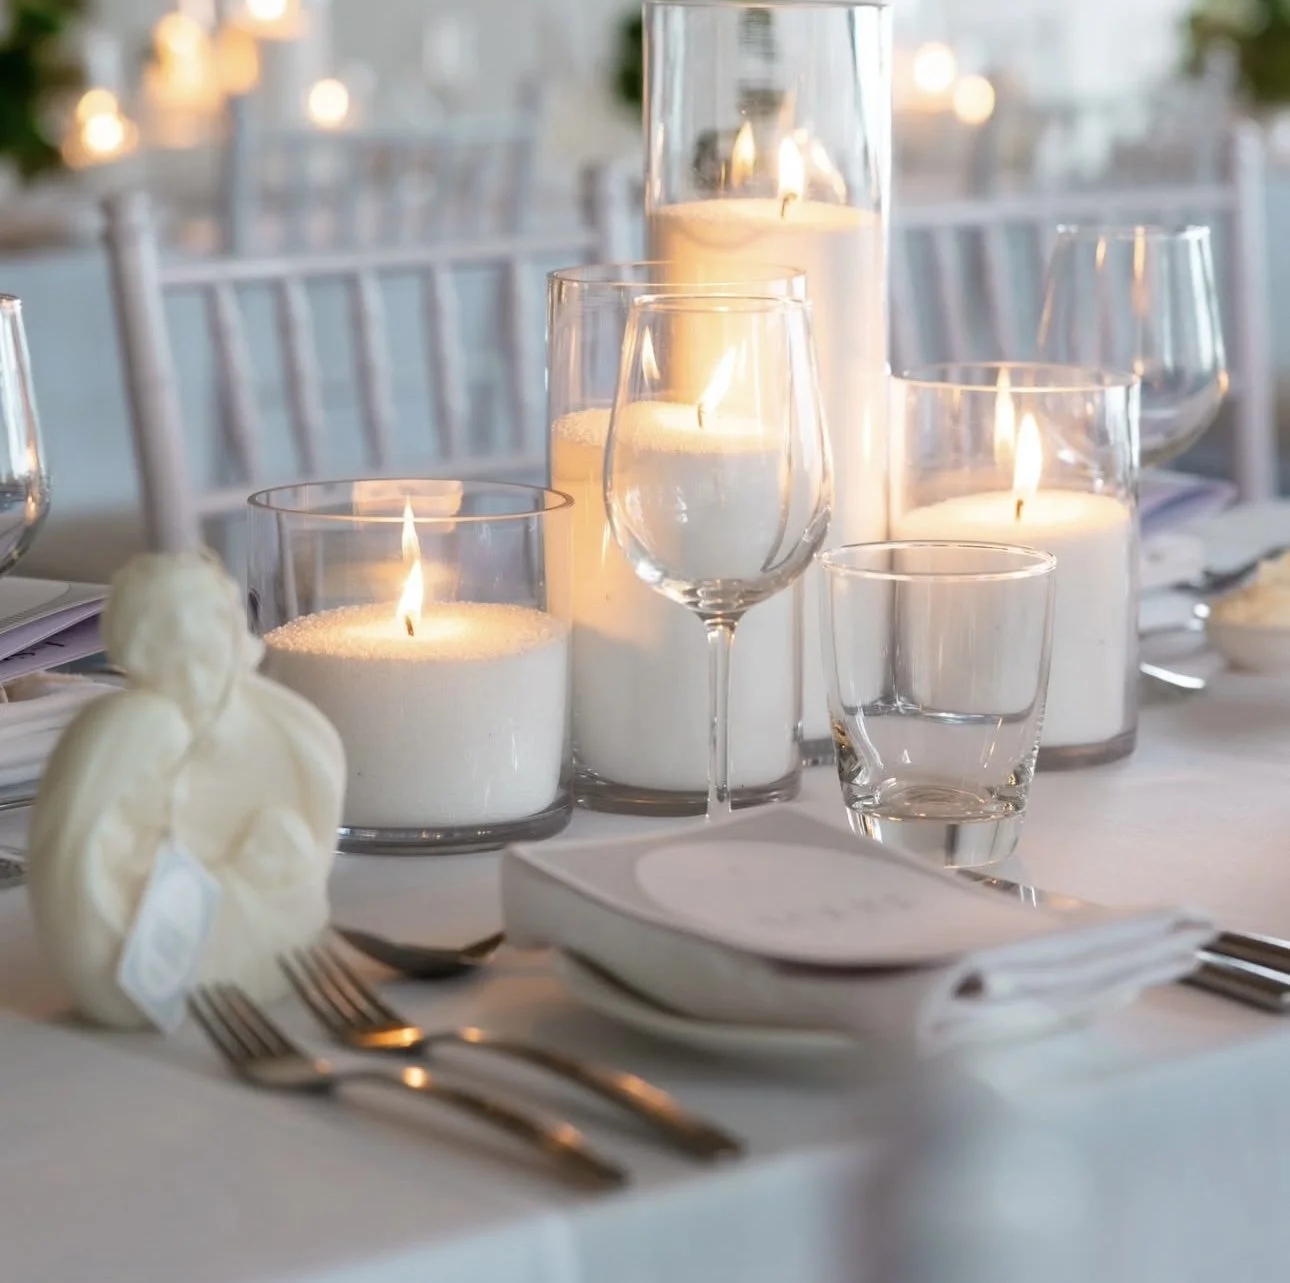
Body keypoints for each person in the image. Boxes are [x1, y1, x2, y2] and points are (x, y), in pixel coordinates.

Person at [27, 551, 345, 1028]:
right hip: (141, 944)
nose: (196, 672)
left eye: (208, 643)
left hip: (254, 936)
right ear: (138, 655)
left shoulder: (288, 729)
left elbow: (308, 853)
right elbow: (85, 862)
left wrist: (280, 865)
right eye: (174, 652)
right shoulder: (136, 728)